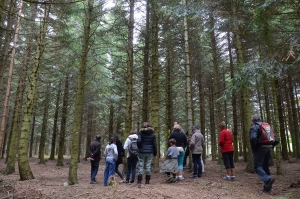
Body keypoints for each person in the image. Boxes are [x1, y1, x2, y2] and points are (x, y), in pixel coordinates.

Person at [250, 114, 278, 192]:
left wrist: (255, 147)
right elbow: (276, 139)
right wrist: (271, 146)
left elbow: (253, 138)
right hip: (268, 148)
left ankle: (268, 179)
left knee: (257, 166)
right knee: (266, 167)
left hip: (260, 148)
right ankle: (267, 189)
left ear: (253, 120)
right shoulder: (267, 126)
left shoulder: (255, 126)